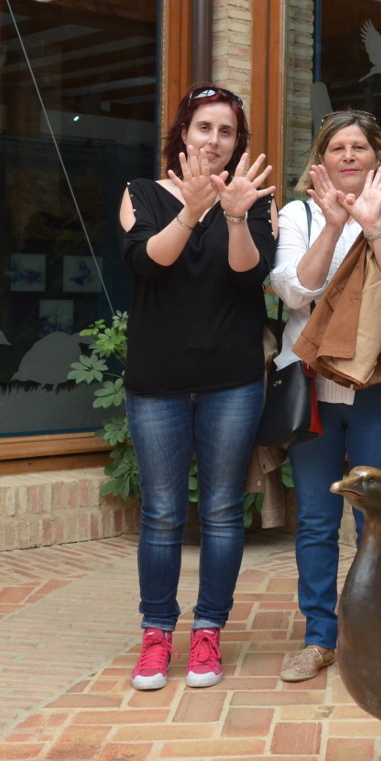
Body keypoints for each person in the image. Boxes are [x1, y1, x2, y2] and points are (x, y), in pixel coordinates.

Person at [271, 109, 381, 682]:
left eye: (359, 148)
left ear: (378, 158)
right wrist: (329, 224)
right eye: (337, 148)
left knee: (378, 519)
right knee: (318, 518)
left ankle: (375, 636)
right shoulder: (297, 212)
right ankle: (320, 636)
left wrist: (372, 228)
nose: (349, 156)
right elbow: (296, 293)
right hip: (314, 388)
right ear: (319, 162)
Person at [119, 84, 277, 691]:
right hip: (156, 380)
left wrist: (233, 213)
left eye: (227, 132)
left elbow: (248, 272)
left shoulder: (252, 201)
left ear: (238, 144)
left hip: (230, 380)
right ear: (183, 134)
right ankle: (156, 635)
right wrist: (190, 208)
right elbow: (149, 262)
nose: (214, 140)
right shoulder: (142, 194)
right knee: (160, 514)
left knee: (219, 511)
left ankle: (209, 630)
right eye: (204, 128)